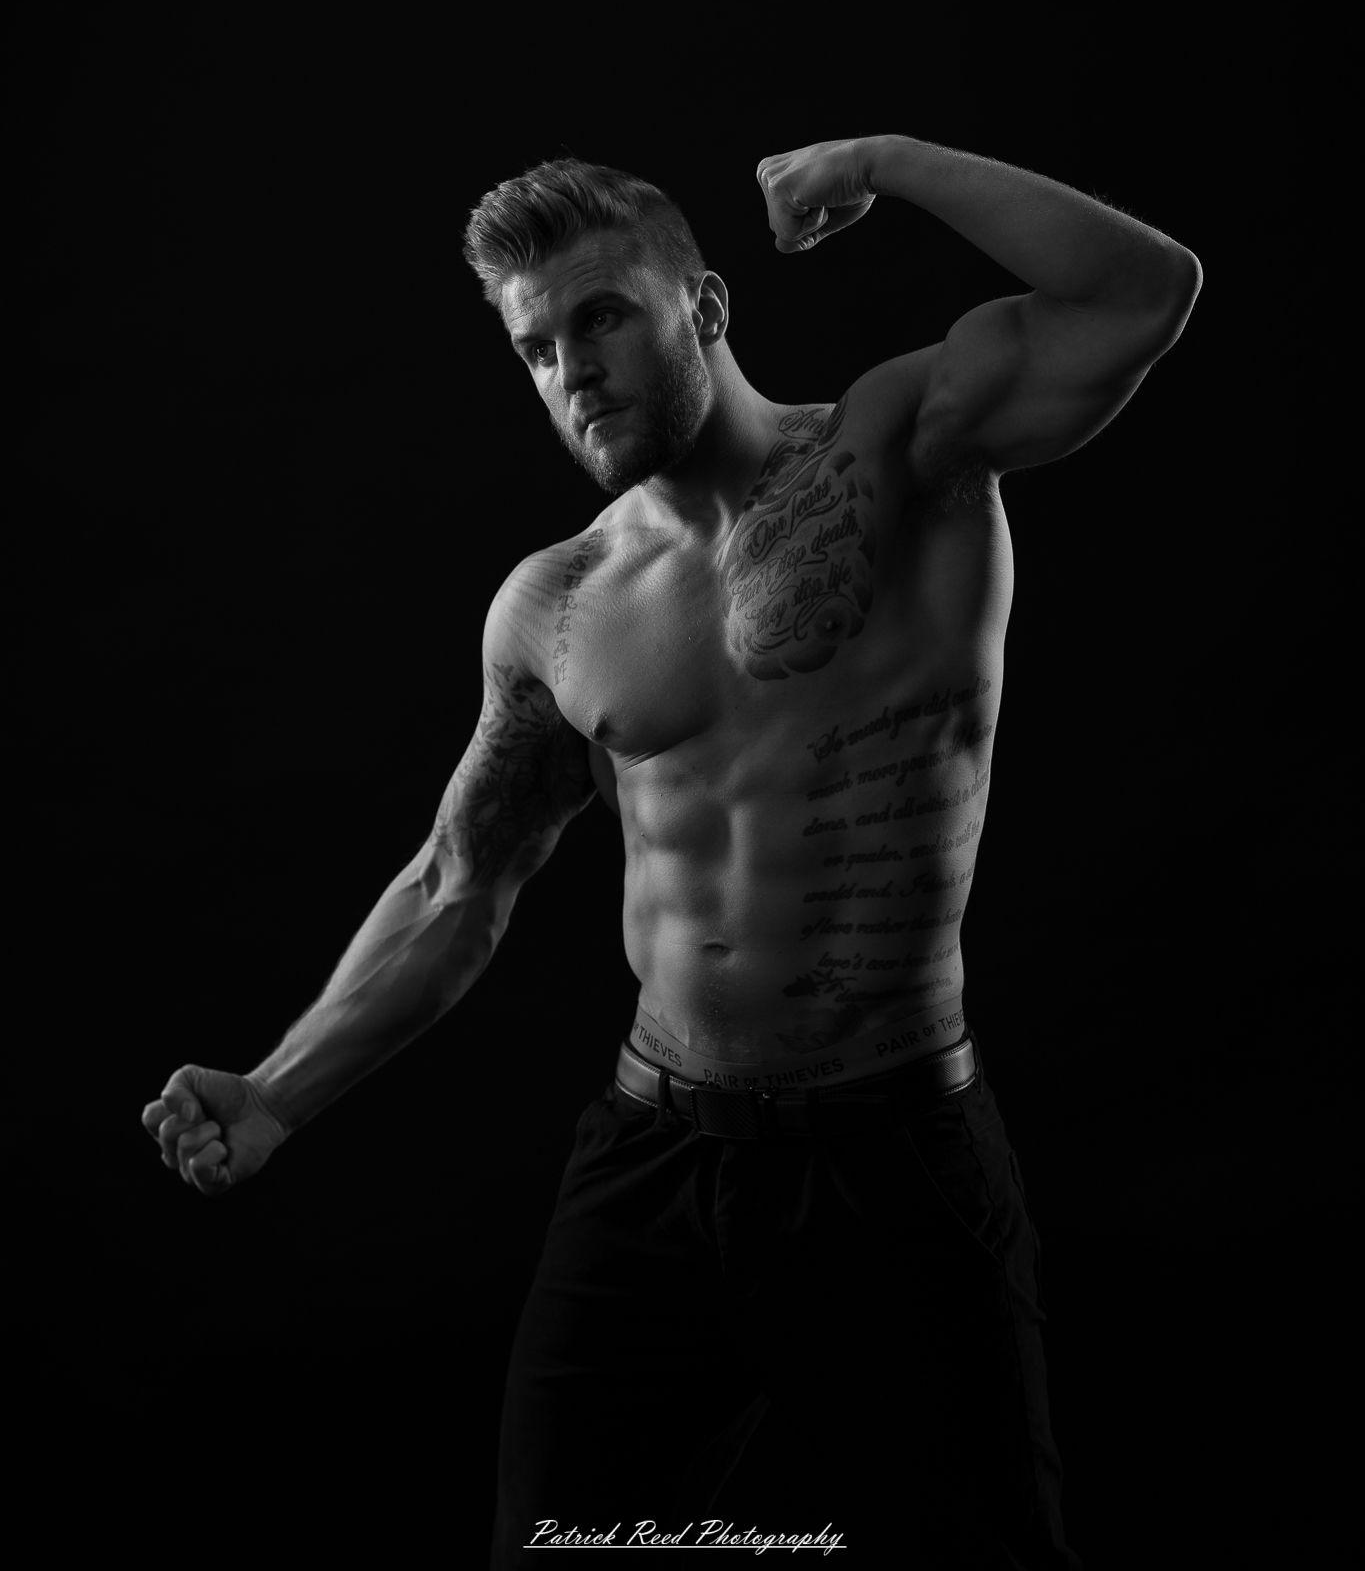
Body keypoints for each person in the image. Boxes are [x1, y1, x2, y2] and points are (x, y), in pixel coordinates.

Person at [142, 134, 1201, 1565]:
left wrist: (883, 161)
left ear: (703, 306)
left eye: (602, 318)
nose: (571, 371)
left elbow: (1139, 292)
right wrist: (276, 1093)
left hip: (889, 1164)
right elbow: (460, 882)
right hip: (651, 1166)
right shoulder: (558, 602)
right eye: (536, 349)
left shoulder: (899, 450)